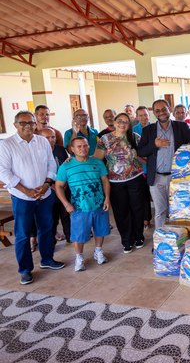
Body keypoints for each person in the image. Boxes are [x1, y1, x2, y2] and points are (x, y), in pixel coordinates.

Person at [0, 111, 64, 285]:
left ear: (35, 124)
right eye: (23, 123)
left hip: (45, 194)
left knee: (47, 228)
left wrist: (45, 185)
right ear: (15, 125)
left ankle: (47, 259)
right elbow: (4, 172)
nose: (28, 126)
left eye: (31, 122)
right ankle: (25, 270)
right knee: (22, 234)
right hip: (22, 197)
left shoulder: (42, 141)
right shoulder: (7, 145)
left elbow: (51, 164)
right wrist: (26, 191)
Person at [137, 99, 190, 230]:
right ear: (154, 113)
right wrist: (154, 145)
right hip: (157, 178)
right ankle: (160, 242)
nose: (161, 113)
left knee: (179, 211)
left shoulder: (180, 127)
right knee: (160, 212)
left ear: (169, 109)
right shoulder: (148, 130)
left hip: (178, 179)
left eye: (164, 109)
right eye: (157, 111)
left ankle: (177, 240)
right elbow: (140, 151)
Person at [55, 138, 111, 272]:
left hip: (99, 205)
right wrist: (66, 204)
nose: (83, 148)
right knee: (78, 234)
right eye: (79, 146)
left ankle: (98, 252)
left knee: (100, 230)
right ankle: (79, 257)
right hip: (79, 207)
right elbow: (58, 186)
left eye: (85, 145)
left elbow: (105, 181)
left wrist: (107, 198)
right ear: (72, 149)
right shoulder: (66, 166)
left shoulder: (97, 163)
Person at [95, 113, 147, 253]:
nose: (122, 124)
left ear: (129, 124)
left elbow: (144, 157)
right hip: (115, 181)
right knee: (121, 211)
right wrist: (75, 159)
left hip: (135, 178)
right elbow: (97, 159)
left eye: (126, 122)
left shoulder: (135, 137)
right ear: (115, 122)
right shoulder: (105, 139)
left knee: (137, 209)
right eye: (120, 121)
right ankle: (126, 240)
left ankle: (139, 236)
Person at [39, 127, 70, 244]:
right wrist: (50, 185)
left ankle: (70, 236)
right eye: (46, 137)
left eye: (52, 137)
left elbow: (66, 165)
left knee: (65, 213)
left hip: (63, 186)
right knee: (52, 216)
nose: (50, 140)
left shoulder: (60, 149)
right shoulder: (38, 151)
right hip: (49, 189)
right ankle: (51, 240)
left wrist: (65, 182)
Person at [132, 105, 152, 230]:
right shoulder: (134, 130)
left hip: (155, 166)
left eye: (145, 115)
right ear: (137, 117)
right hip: (141, 168)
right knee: (144, 195)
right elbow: (134, 150)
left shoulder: (155, 127)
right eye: (140, 115)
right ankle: (146, 219)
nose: (143, 117)